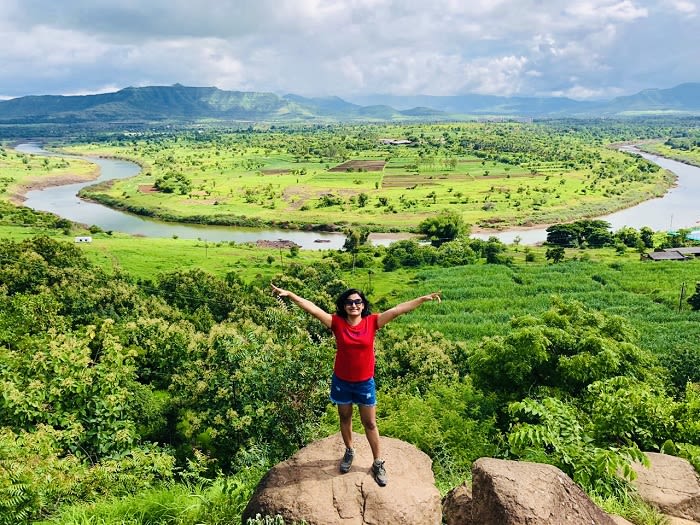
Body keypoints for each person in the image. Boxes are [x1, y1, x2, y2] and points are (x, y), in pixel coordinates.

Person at [270, 283, 441, 487]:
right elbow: (313, 308)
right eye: (349, 302)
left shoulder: (372, 322)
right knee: (345, 417)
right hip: (342, 381)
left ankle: (378, 462)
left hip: (364, 383)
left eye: (358, 301)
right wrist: (290, 294)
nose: (354, 305)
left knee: (370, 423)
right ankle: (349, 450)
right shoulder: (336, 323)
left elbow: (397, 310)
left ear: (363, 304)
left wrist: (421, 299)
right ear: (343, 306)